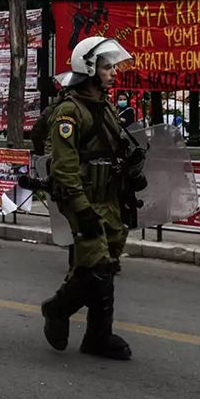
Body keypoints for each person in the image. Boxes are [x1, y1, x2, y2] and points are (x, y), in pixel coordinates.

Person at [39, 37, 136, 361]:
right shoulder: (69, 111)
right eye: (107, 67)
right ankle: (57, 309)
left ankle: (97, 335)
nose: (113, 73)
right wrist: (82, 209)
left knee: (107, 265)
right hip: (83, 198)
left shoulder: (105, 106)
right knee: (97, 267)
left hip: (108, 197)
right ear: (90, 69)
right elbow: (64, 170)